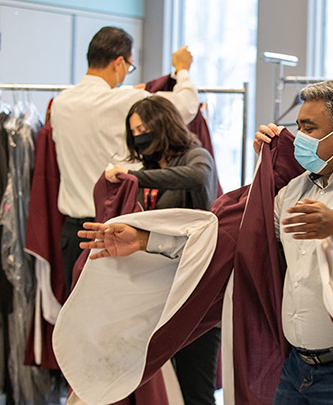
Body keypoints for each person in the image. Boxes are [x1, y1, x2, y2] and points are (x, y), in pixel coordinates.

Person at [74, 80, 333, 404]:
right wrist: (146, 238)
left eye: (307, 127)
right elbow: (223, 236)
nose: (296, 136)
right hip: (297, 369)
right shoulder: (295, 190)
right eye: (296, 126)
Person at [50, 26, 199, 297]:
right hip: (115, 229)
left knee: (79, 321)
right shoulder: (126, 99)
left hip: (73, 233)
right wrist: (182, 70)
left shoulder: (60, 103)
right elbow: (187, 106)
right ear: (119, 62)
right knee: (118, 322)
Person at [104, 95, 220, 405]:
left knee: (195, 388)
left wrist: (134, 177)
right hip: (157, 294)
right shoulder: (149, 168)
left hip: (196, 293)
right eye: (134, 131)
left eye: (144, 127)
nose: (139, 136)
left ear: (163, 124)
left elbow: (198, 177)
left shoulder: (197, 157)